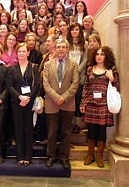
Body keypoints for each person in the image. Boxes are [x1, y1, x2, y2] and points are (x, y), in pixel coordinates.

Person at [43, 38, 79, 169]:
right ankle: (51, 156)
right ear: (55, 48)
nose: (61, 49)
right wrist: (56, 97)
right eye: (59, 47)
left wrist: (63, 98)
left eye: (64, 47)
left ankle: (64, 157)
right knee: (51, 133)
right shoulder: (48, 65)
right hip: (52, 103)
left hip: (67, 103)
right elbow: (46, 84)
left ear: (67, 49)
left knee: (65, 132)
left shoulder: (73, 64)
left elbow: (75, 84)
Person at [80, 46, 119, 168]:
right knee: (91, 130)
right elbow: (86, 87)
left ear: (106, 56)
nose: (99, 56)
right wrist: (83, 103)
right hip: (91, 104)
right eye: (97, 54)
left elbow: (117, 87)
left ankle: (100, 156)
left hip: (104, 105)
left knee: (102, 131)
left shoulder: (111, 70)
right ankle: (90, 154)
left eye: (102, 54)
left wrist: (111, 78)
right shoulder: (90, 69)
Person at [7, 43, 40, 166]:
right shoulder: (11, 69)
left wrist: (28, 98)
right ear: (17, 53)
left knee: (29, 128)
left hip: (29, 102)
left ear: (28, 53)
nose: (21, 53)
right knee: (18, 128)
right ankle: (20, 156)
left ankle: (28, 156)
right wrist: (20, 97)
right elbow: (9, 86)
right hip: (16, 102)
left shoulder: (34, 67)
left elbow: (37, 85)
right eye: (19, 51)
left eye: (24, 51)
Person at [67, 23, 89, 131]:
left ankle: (77, 124)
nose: (74, 31)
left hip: (80, 75)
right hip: (69, 75)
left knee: (78, 99)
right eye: (72, 30)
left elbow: (85, 59)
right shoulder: (67, 43)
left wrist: (77, 70)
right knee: (69, 100)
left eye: (76, 29)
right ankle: (69, 123)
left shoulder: (84, 44)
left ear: (80, 31)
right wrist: (71, 71)